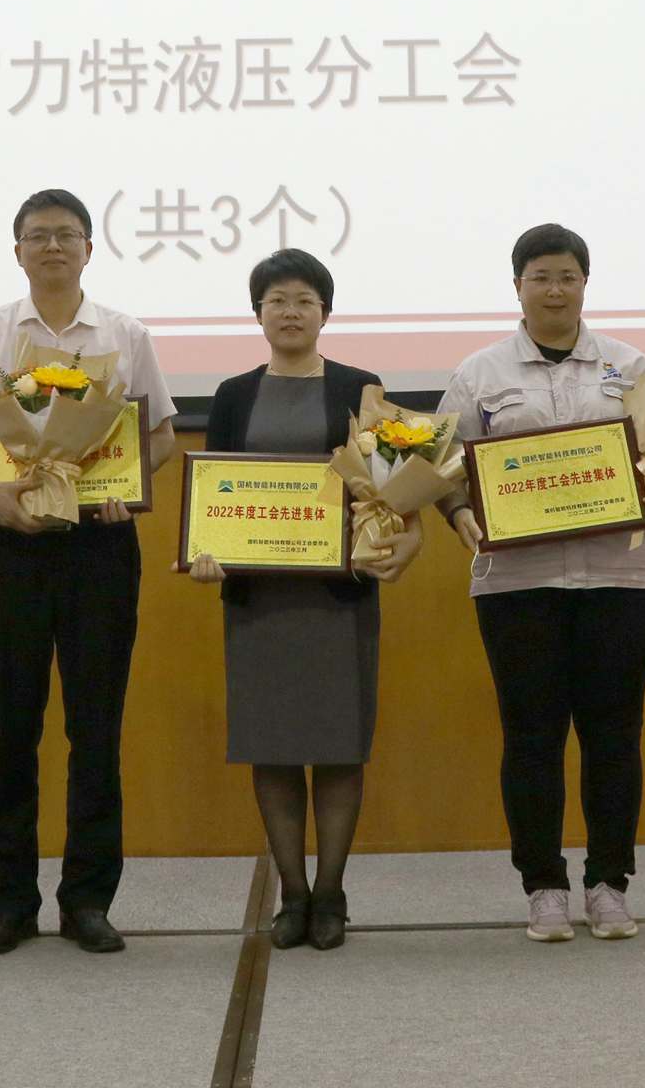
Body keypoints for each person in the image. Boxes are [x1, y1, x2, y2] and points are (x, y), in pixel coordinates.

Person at [0, 188, 178, 956]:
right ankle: (9, 904)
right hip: (10, 546)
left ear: (90, 249)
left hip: (101, 549)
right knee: (10, 732)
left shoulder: (125, 334)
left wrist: (129, 491)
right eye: (38, 236)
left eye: (67, 235)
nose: (53, 247)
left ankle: (88, 901)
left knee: (95, 730)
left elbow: (161, 436)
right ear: (18, 251)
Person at [436, 223, 645, 943]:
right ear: (518, 286)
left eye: (568, 276)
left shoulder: (634, 368)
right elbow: (442, 474)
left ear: (584, 284)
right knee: (531, 737)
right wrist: (459, 515)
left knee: (615, 734)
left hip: (622, 579)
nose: (555, 290)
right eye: (540, 276)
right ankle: (543, 886)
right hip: (517, 584)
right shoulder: (478, 375)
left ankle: (609, 885)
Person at [187, 250, 422, 951]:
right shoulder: (232, 394)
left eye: (304, 301)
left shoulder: (359, 388)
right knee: (274, 748)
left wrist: (402, 538)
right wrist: (204, 553)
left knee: (340, 749)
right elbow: (210, 492)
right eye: (277, 301)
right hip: (259, 598)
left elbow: (390, 485)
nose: (290, 312)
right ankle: (291, 894)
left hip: (337, 593)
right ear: (257, 313)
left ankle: (331, 894)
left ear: (326, 312)